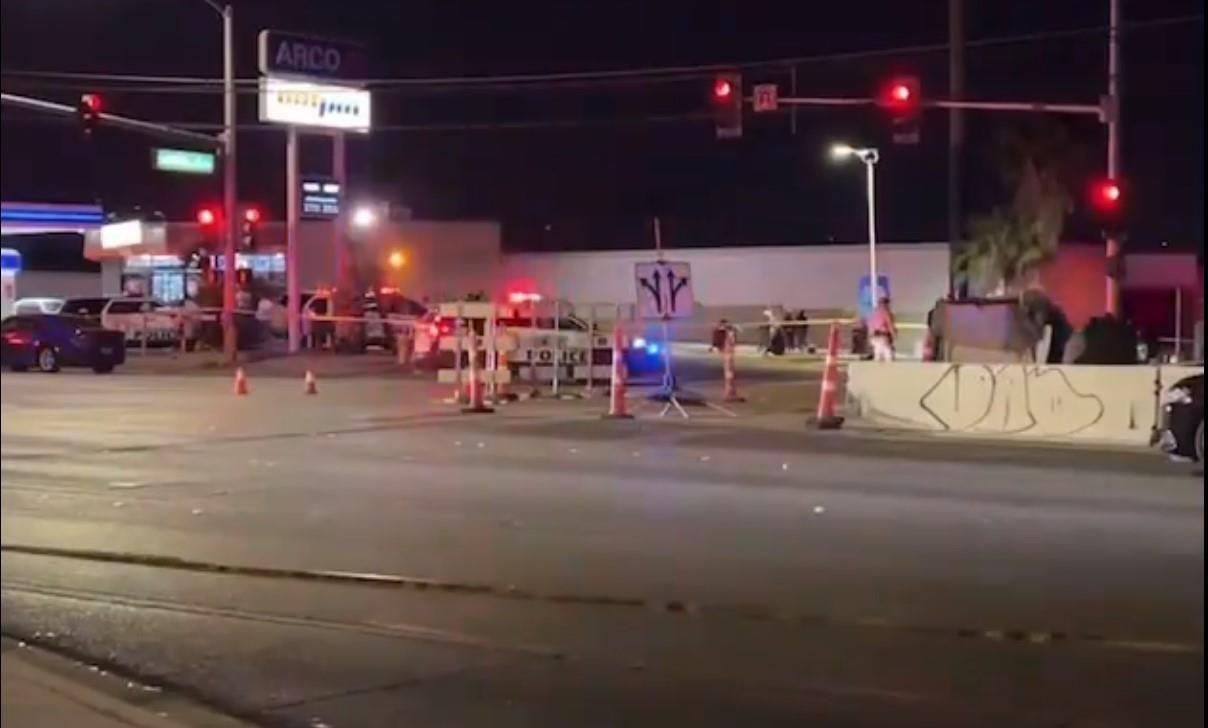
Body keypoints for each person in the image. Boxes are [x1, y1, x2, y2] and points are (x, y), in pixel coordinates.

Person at [869, 296, 897, 362]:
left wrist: (870, 338)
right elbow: (890, 325)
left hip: (875, 337)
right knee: (888, 357)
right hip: (882, 337)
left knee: (878, 356)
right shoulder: (886, 313)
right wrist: (894, 335)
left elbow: (871, 327)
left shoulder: (874, 313)